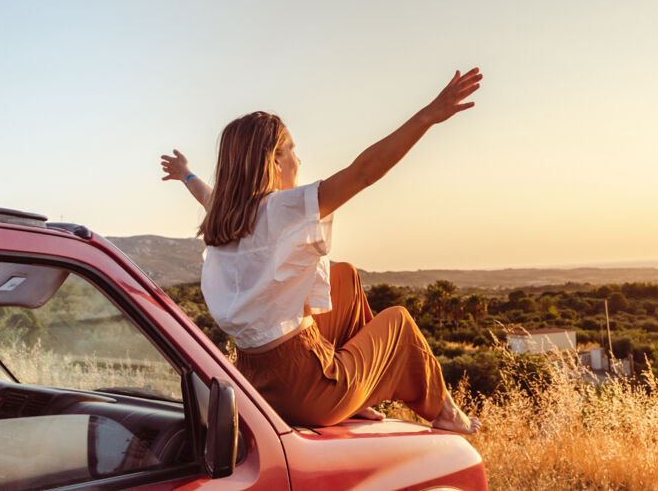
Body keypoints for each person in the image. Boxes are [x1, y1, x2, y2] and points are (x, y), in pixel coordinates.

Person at [159, 68, 482, 434]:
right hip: (310, 388)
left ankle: (361, 398)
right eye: (292, 150)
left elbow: (205, 193)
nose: (299, 160)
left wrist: (185, 173)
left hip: (257, 379)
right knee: (400, 322)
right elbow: (363, 173)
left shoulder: (226, 214)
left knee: (343, 276)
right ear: (273, 161)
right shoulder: (281, 208)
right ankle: (447, 414)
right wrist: (427, 117)